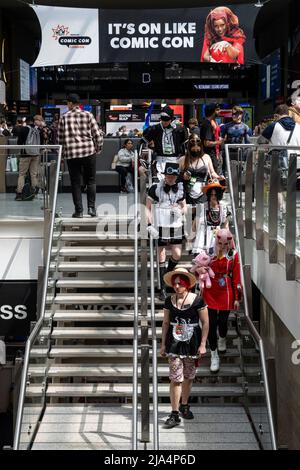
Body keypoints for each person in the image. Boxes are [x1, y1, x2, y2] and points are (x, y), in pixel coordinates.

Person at [160, 267, 209, 428]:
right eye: (174, 284)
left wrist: (203, 344)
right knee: (175, 377)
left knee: (189, 376)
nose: (176, 286)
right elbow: (166, 322)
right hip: (173, 342)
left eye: (180, 283)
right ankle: (174, 413)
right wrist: (162, 344)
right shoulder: (169, 300)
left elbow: (206, 322)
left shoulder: (197, 300)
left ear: (187, 284)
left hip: (192, 342)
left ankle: (185, 405)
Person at [202, 229, 241, 373]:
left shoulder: (233, 255)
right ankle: (214, 354)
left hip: (226, 289)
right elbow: (200, 266)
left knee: (223, 321)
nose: (223, 245)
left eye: (226, 243)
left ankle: (223, 338)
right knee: (211, 324)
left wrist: (237, 297)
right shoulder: (209, 251)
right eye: (220, 243)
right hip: (210, 288)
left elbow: (236, 276)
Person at [57, 94, 103, 218]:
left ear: (71, 103)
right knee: (91, 180)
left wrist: (61, 154)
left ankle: (79, 211)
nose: (67, 105)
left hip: (72, 154)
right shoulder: (88, 115)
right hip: (88, 152)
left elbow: (60, 139)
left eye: (67, 103)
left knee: (75, 182)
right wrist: (98, 148)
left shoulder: (64, 117)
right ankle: (91, 209)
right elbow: (97, 134)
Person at [146, 162, 187, 300]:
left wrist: (180, 210)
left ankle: (167, 275)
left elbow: (185, 207)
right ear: (164, 175)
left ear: (176, 177)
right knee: (161, 254)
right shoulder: (155, 188)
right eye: (168, 175)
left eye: (173, 176)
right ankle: (162, 288)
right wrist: (149, 225)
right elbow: (147, 207)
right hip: (160, 224)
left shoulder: (180, 188)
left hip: (175, 224)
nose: (171, 178)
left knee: (177, 253)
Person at [179, 133, 223, 209]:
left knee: (201, 216)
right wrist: (183, 175)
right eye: (193, 149)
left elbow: (212, 172)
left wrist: (219, 177)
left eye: (198, 149)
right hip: (187, 191)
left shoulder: (206, 157)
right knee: (189, 216)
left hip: (203, 191)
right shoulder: (182, 159)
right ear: (189, 148)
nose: (196, 150)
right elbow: (176, 176)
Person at [143, 106, 187, 179]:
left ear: (171, 119)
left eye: (167, 119)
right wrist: (142, 157)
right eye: (163, 119)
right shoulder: (154, 129)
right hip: (160, 159)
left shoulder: (180, 129)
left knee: (174, 181)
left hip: (175, 159)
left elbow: (185, 145)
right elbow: (142, 141)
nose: (165, 122)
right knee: (161, 182)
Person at [192, 179, 229, 256]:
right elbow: (194, 227)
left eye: (216, 195)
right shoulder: (201, 207)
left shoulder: (224, 207)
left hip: (217, 241)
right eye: (211, 195)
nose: (213, 197)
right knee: (201, 266)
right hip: (202, 241)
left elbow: (226, 226)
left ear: (220, 194)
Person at [15, 114, 44, 201]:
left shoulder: (23, 129)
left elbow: (19, 143)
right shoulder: (38, 130)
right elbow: (41, 143)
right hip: (36, 154)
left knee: (22, 174)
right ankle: (34, 192)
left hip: (25, 155)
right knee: (34, 174)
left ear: (26, 121)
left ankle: (20, 193)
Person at [200, 103, 223, 175]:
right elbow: (206, 143)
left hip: (215, 154)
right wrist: (219, 142)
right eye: (217, 110)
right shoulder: (207, 124)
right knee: (213, 176)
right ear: (212, 111)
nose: (219, 111)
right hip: (210, 155)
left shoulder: (211, 122)